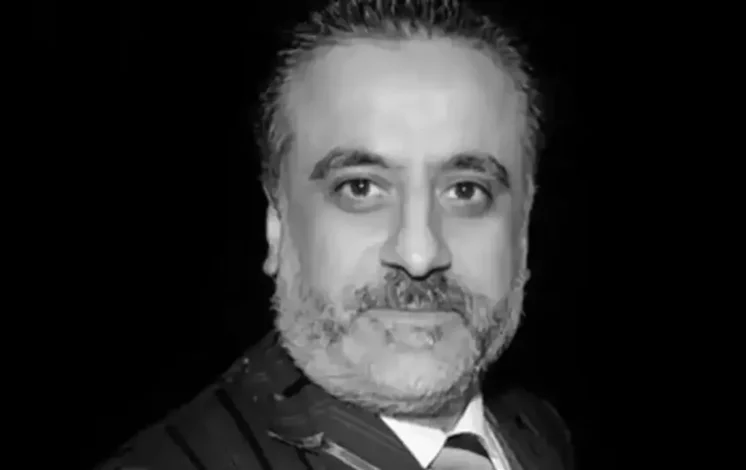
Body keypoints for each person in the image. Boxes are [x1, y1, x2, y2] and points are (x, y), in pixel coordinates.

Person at [97, 0, 574, 469]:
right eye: (360, 188)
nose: (419, 254)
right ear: (277, 222)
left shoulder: (536, 431)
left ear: (524, 229)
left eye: (466, 191)